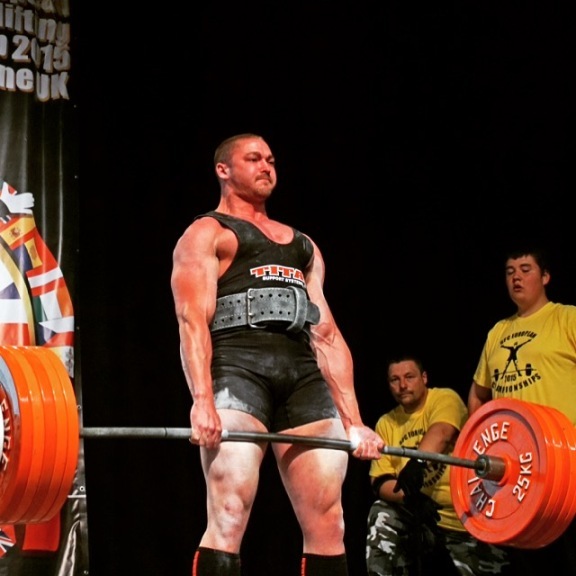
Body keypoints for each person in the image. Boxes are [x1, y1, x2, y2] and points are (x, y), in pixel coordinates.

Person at [170, 133, 384, 576]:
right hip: (238, 371)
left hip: (302, 377)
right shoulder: (208, 233)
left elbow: (326, 335)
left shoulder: (303, 245)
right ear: (223, 170)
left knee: (329, 523)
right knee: (229, 512)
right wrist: (202, 401)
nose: (266, 166)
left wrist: (355, 422)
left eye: (270, 159)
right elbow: (192, 321)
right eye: (253, 159)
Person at [468, 245, 576, 574]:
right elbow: (478, 394)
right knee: (528, 564)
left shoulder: (567, 318)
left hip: (566, 464)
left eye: (525, 270)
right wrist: (482, 442)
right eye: (510, 271)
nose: (516, 277)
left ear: (545, 277)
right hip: (519, 472)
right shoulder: (498, 332)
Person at [367, 353, 510, 576]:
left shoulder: (444, 398)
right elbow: (380, 481)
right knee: (381, 513)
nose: (402, 385)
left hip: (467, 523)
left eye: (409, 377)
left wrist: (417, 461)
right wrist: (411, 499)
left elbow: (442, 432)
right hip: (421, 521)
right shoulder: (386, 423)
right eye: (395, 380)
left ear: (424, 378)